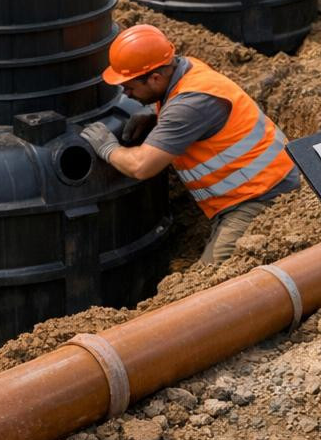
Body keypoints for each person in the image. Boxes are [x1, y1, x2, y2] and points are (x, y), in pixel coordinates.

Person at [80, 24, 299, 263]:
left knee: (218, 280)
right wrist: (156, 118)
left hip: (264, 195)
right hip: (259, 186)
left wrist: (108, 148)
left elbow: (142, 166)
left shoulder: (189, 104)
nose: (126, 94)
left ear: (155, 78)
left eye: (130, 87)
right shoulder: (186, 71)